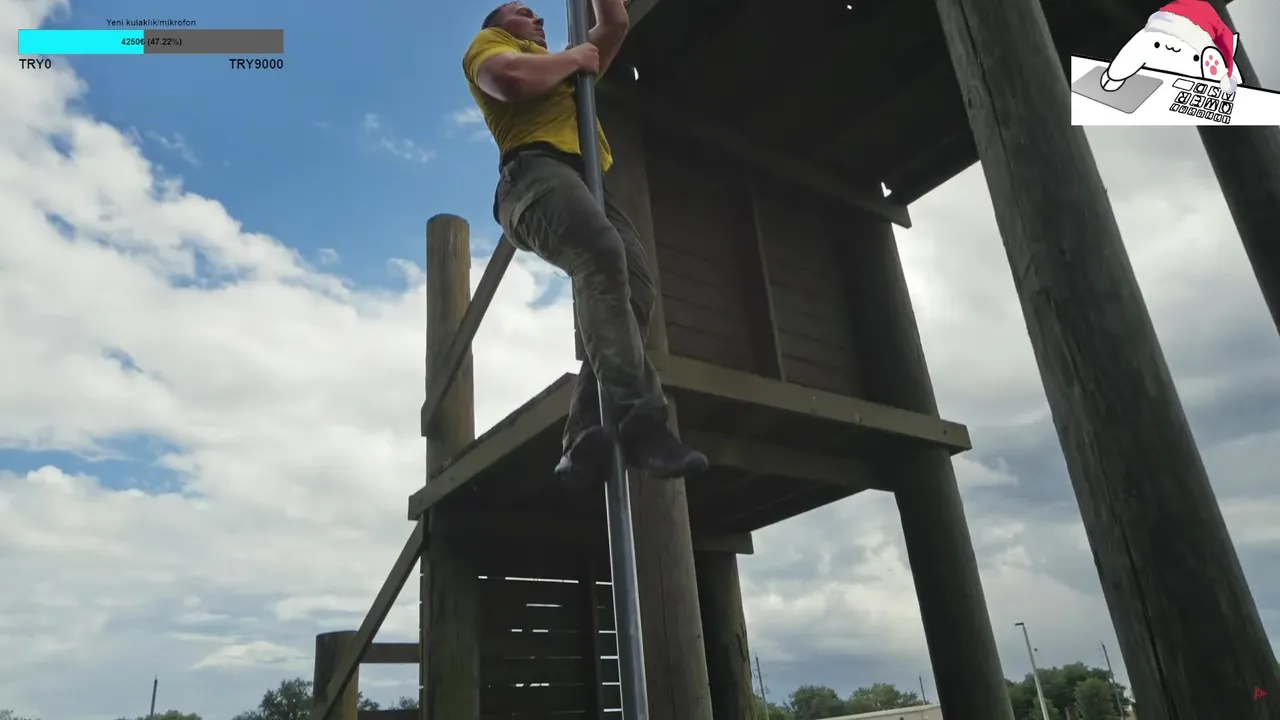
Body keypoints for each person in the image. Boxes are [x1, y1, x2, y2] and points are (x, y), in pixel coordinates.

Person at [462, 1, 708, 484]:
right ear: (499, 26)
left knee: (636, 287)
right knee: (599, 252)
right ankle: (644, 423)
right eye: (522, 12)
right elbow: (508, 80)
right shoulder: (493, 46)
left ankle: (584, 433)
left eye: (538, 13)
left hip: (591, 184)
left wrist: (580, 55)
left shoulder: (565, 68)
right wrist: (575, 58)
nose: (537, 18)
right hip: (533, 174)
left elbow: (614, 23)